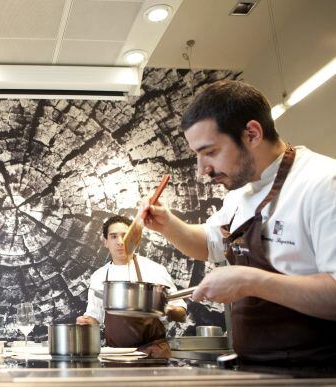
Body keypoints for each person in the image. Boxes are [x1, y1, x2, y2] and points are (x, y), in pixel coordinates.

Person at [144, 80, 336, 365]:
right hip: (258, 369)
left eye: (210, 152)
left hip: (319, 376)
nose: (201, 170)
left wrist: (250, 281)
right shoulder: (240, 194)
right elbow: (210, 244)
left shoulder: (323, 183)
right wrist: (170, 225)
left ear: (252, 134)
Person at [76, 215, 187, 358]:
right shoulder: (99, 277)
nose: (120, 242)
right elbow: (94, 317)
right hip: (115, 355)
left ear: (134, 239)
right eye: (113, 236)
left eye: (125, 236)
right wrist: (87, 321)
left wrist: (165, 309)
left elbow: (182, 315)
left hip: (153, 353)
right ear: (105, 242)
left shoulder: (154, 269)